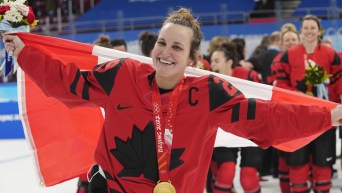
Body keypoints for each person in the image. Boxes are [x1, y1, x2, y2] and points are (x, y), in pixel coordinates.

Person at [3, 8, 342, 193]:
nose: (165, 52)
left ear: (192, 58)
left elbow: (267, 118)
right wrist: (26, 53)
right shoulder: (121, 75)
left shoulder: (209, 94)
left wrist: (329, 117)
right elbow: (70, 84)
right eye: (162, 43)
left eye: (177, 47)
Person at [277, 15, 342, 193]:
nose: (309, 31)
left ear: (319, 30)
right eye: (306, 28)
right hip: (298, 118)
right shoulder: (288, 55)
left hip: (325, 118)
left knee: (323, 166)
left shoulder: (331, 55)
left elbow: (338, 84)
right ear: (301, 30)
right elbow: (281, 84)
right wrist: (295, 93)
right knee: (298, 167)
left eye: (312, 28)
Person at [209, 42, 262, 193]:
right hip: (224, 131)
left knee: (248, 178)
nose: (212, 64)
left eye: (217, 61)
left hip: (250, 129)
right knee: (226, 173)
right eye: (212, 61)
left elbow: (262, 100)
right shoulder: (209, 80)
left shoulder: (248, 75)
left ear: (229, 62)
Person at [271, 23, 300, 193]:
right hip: (282, 115)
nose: (290, 42)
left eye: (293, 40)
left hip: (302, 115)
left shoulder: (306, 60)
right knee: (285, 158)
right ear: (281, 43)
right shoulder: (278, 61)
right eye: (287, 40)